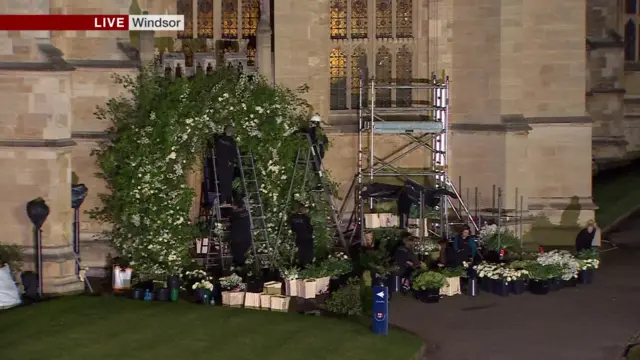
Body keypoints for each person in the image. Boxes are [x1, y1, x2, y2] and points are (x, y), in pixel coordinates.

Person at [302, 114, 329, 190]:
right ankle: (318, 183)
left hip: (316, 152)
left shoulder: (315, 130)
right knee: (316, 168)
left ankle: (318, 183)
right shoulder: (321, 131)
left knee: (315, 168)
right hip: (319, 152)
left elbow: (312, 138)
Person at [213, 125, 238, 206]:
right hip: (228, 164)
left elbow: (216, 145)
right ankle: (228, 200)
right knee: (228, 183)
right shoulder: (231, 142)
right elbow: (233, 154)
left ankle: (224, 200)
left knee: (222, 181)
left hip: (220, 162)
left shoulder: (219, 139)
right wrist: (231, 162)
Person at [228, 196, 252, 267]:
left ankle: (238, 262)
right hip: (241, 238)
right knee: (235, 249)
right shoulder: (245, 212)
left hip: (242, 238)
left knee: (236, 249)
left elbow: (230, 221)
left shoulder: (235, 213)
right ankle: (238, 263)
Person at [289, 202, 314, 266]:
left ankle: (302, 264)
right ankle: (308, 264)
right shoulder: (305, 218)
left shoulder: (293, 218)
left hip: (299, 237)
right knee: (308, 252)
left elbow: (292, 228)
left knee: (301, 252)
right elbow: (310, 228)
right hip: (307, 237)